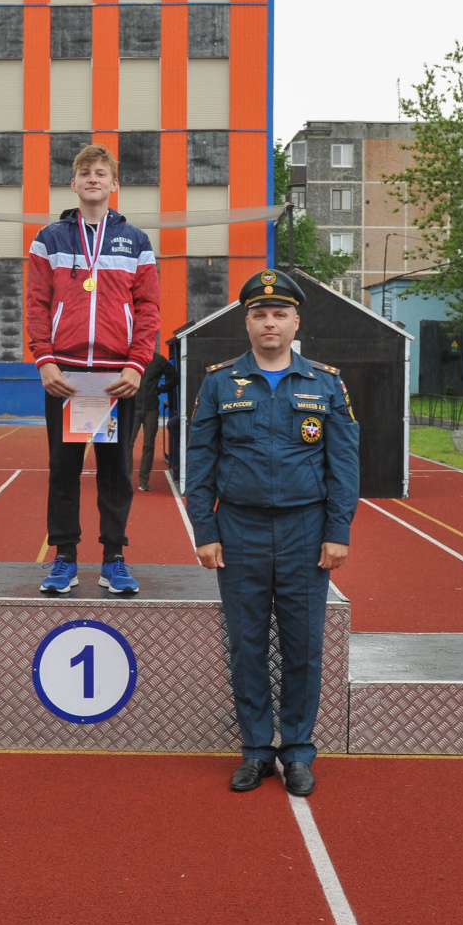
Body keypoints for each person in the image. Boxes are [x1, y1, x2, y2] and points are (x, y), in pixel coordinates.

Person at [184, 268, 359, 797]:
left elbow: (344, 465)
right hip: (239, 530)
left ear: (295, 321)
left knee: (304, 646)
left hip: (307, 531)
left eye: (279, 314)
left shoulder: (326, 383)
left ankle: (299, 751)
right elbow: (200, 462)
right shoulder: (219, 383)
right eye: (259, 314)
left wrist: (338, 530)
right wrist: (205, 529)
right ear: (247, 322)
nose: (269, 323)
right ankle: (257, 749)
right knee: (247, 645)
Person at [25, 144, 161, 595]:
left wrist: (138, 364)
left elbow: (149, 309)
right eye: (85, 173)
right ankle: (64, 558)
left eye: (101, 173)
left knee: (115, 471)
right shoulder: (50, 238)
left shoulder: (136, 241)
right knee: (62, 469)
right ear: (74, 183)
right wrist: (44, 360)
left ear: (113, 183)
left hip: (115, 377)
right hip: (64, 375)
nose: (93, 179)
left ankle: (114, 559)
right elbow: (37, 305)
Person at [132, 345, 175, 491]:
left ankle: (143, 481)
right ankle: (125, 479)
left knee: (149, 445)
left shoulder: (159, 361)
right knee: (127, 444)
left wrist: (160, 390)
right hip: (133, 408)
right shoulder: (133, 358)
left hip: (151, 409)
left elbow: (174, 377)